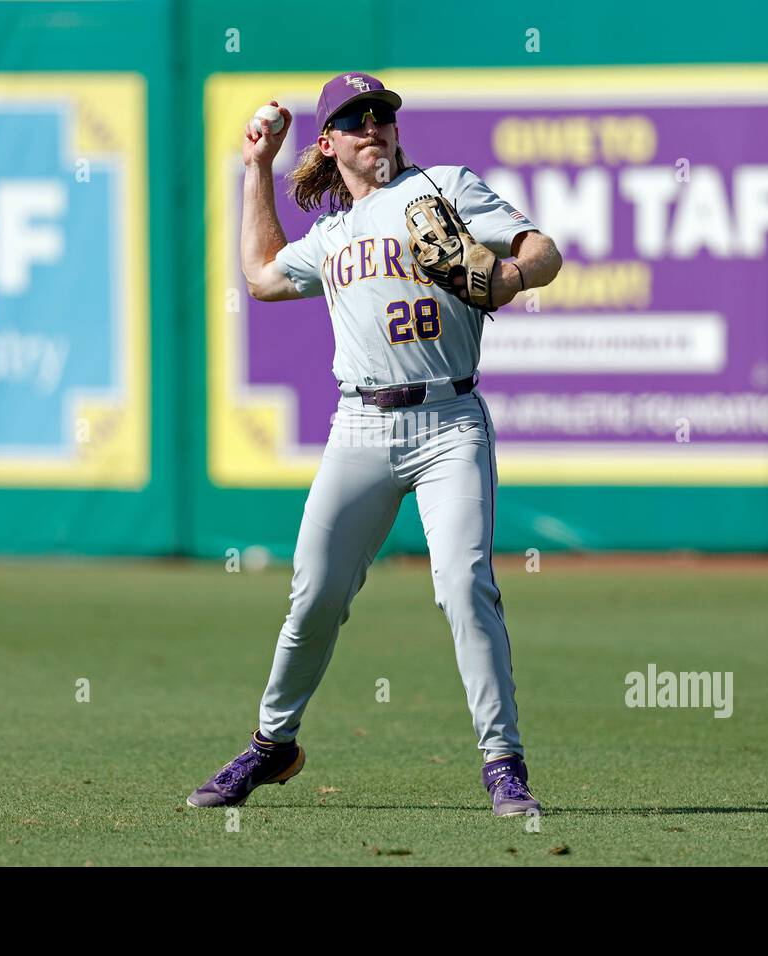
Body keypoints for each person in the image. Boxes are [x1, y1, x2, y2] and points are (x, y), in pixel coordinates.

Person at [187, 71, 562, 816]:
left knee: (464, 584)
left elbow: (544, 249)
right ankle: (272, 746)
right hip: (360, 426)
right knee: (314, 596)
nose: (373, 128)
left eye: (381, 116)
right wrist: (256, 167)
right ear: (328, 143)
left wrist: (511, 275)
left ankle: (503, 762)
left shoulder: (445, 186)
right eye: (355, 120)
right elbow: (261, 276)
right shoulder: (330, 237)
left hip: (450, 421)